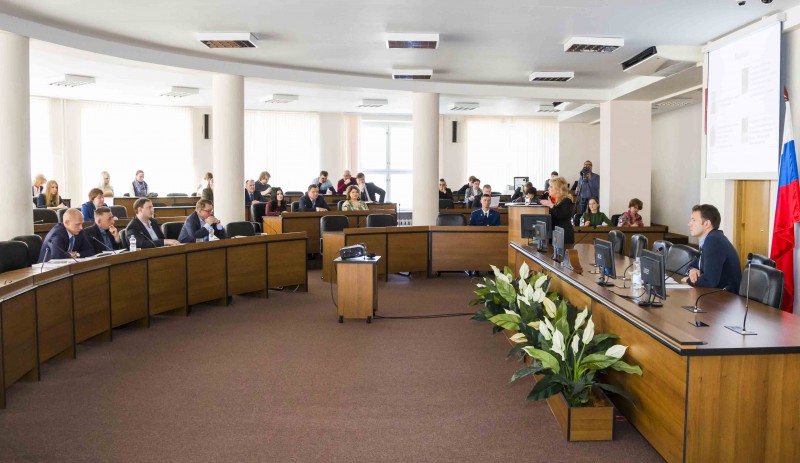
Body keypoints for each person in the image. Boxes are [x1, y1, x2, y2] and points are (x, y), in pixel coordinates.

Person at [681, 204, 742, 292]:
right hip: (715, 294)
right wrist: (692, 270)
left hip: (726, 296)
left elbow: (710, 281)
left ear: (706, 224)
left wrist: (688, 280)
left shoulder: (714, 241)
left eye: (693, 220)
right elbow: (694, 264)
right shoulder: (712, 238)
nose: (689, 224)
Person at [541, 176, 575, 244]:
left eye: (551, 186)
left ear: (558, 189)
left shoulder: (567, 201)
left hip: (564, 236)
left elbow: (561, 215)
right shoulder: (554, 201)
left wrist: (551, 205)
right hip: (555, 235)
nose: (548, 188)